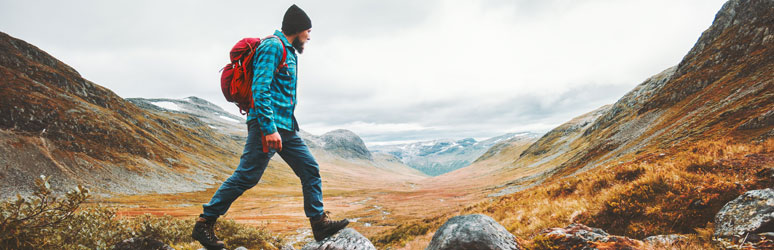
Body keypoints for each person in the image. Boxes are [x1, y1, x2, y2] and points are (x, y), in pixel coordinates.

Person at [192, 5, 348, 249]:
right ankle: (204, 223)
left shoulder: (289, 51)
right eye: (308, 30)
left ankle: (318, 223)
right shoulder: (273, 46)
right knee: (246, 176)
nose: (309, 36)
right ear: (297, 30)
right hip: (268, 126)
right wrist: (268, 128)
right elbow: (260, 88)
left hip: (286, 127)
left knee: (310, 168)